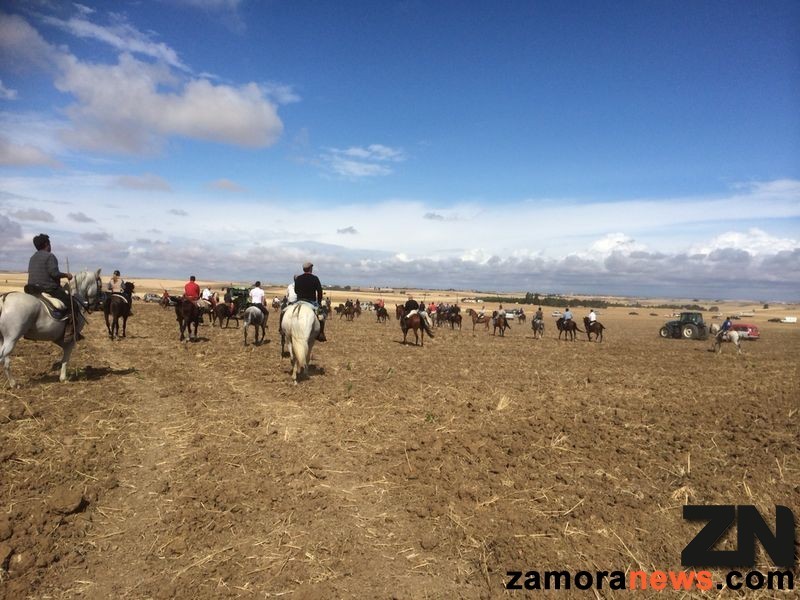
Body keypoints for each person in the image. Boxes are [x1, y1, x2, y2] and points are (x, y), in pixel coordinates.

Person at [26, 233, 81, 342]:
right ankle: (70, 331)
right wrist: (67, 275)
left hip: (31, 288)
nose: (51, 246)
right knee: (73, 304)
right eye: (50, 243)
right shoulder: (50, 256)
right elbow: (54, 273)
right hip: (48, 288)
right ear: (47, 244)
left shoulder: (32, 257)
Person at [293, 262, 326, 341]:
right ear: (311, 268)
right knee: (322, 315)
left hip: (299, 301)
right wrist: (319, 302)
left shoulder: (298, 278)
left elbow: (296, 291)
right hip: (311, 302)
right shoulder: (315, 278)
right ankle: (321, 333)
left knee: (286, 310)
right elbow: (319, 291)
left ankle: (282, 329)